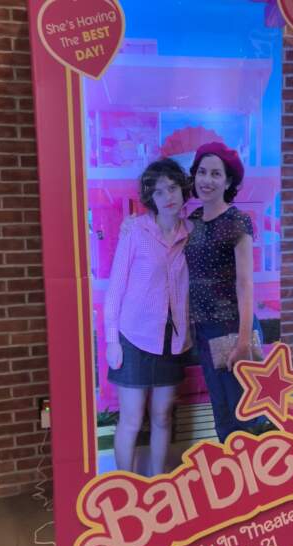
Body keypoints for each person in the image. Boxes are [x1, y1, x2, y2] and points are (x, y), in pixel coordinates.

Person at [104, 158, 193, 475]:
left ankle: (159, 483)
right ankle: (123, 489)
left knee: (162, 416)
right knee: (130, 420)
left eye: (172, 188)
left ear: (183, 190)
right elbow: (114, 290)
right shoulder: (135, 231)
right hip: (133, 337)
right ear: (150, 199)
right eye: (159, 192)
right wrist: (112, 341)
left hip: (173, 339)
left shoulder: (191, 233)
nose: (168, 196)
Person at [184, 141, 268, 443]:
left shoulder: (237, 221)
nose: (207, 180)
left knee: (246, 411)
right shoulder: (192, 222)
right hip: (205, 329)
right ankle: (233, 480)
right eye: (202, 172)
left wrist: (244, 340)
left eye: (215, 174)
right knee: (221, 410)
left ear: (228, 180)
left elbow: (245, 283)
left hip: (233, 327)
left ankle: (261, 482)